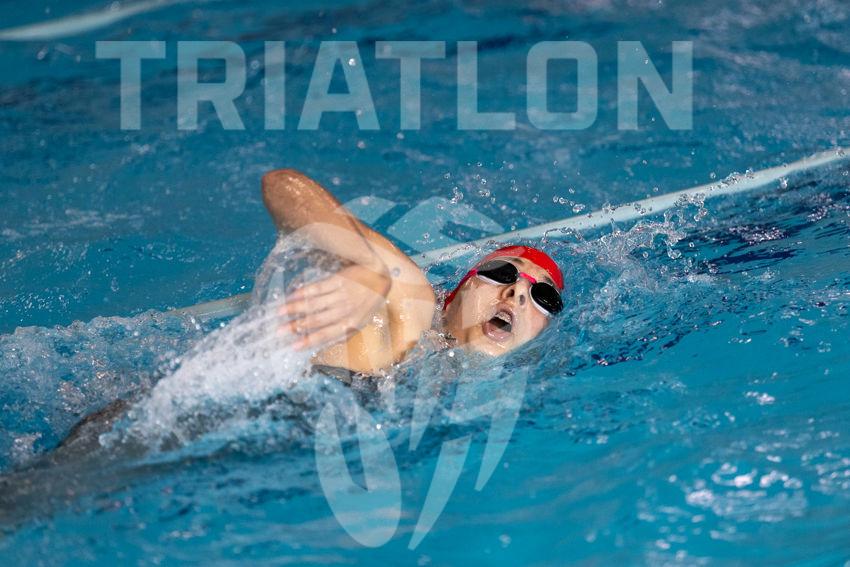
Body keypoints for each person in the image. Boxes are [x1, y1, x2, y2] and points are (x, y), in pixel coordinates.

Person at [262, 168, 565, 377]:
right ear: (451, 300)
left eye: (544, 296)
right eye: (502, 272)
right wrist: (370, 268)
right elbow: (281, 186)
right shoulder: (409, 309)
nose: (519, 291)